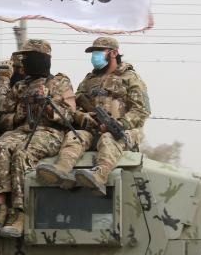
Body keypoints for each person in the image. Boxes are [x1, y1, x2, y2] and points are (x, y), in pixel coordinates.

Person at [36, 36, 151, 195]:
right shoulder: (89, 80)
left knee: (108, 139)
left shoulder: (131, 78)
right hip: (93, 129)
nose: (94, 56)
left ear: (114, 53)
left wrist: (120, 123)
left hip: (124, 132)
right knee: (74, 136)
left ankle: (99, 175)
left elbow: (141, 110)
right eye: (93, 52)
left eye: (98, 51)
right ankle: (62, 170)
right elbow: (74, 105)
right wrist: (84, 117)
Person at [0, 39, 76, 238]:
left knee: (22, 154)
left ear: (40, 59)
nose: (23, 62)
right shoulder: (19, 86)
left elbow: (70, 116)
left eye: (27, 58)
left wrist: (49, 105)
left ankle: (20, 213)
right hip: (22, 130)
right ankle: (1, 208)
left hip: (49, 132)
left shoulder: (60, 83)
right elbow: (2, 118)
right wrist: (19, 116)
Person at [0, 51, 25, 131]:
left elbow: (0, 108)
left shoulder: (26, 85)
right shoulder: (13, 85)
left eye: (15, 67)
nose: (12, 71)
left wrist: (3, 79)